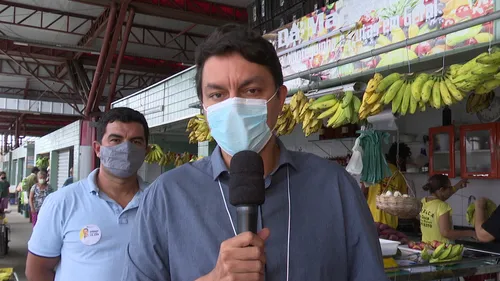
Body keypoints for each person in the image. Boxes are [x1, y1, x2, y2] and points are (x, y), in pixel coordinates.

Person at [121, 24, 387, 281]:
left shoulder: (335, 187)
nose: (234, 106)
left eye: (251, 91)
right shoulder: (166, 197)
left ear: (280, 98)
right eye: (217, 95)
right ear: (204, 106)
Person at [26, 107, 150, 281]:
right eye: (116, 140)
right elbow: (37, 271)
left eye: (136, 142)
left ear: (146, 151)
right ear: (98, 149)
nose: (126, 148)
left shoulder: (159, 202)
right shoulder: (62, 202)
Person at [365, 142, 411, 229]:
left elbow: (363, 192)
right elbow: (403, 200)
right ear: (400, 159)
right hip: (390, 223)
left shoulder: (373, 170)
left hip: (371, 219)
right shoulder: (399, 175)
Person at [420, 174, 475, 243]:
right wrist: (470, 233)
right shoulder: (442, 206)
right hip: (442, 249)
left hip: (426, 247)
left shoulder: (423, 201)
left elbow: (440, 198)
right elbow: (446, 233)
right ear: (441, 190)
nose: (451, 189)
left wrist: (457, 186)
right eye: (449, 187)